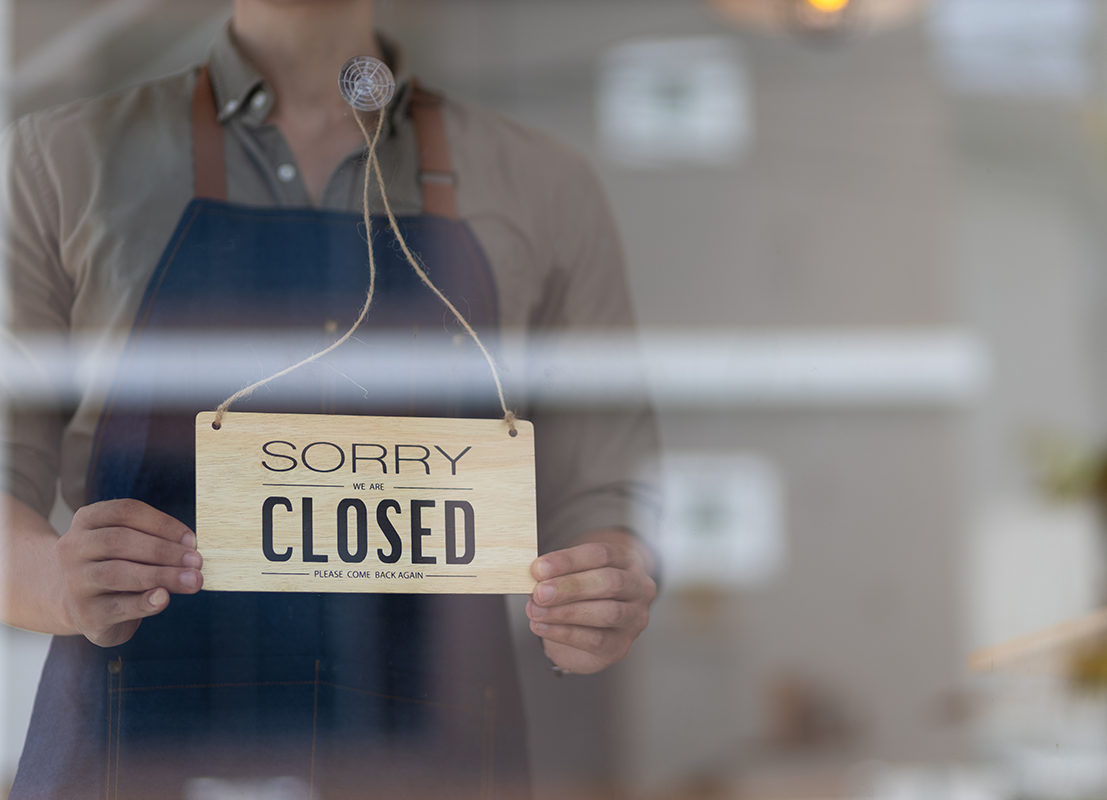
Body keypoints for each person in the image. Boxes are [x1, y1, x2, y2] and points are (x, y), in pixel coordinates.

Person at [1, 1, 659, 797]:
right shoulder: (55, 162)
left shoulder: (544, 185)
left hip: (435, 759)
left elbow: (601, 494)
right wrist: (57, 579)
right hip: (139, 758)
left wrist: (597, 600)